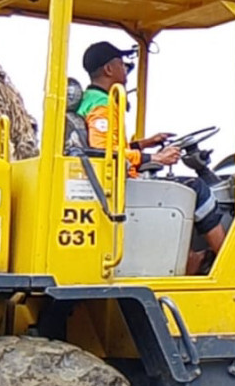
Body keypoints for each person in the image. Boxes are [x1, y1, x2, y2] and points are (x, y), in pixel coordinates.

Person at [79, 41, 226, 274]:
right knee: (196, 189)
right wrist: (155, 156)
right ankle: (229, 263)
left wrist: (146, 143)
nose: (126, 70)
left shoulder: (93, 99)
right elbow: (102, 152)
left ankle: (188, 258)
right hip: (118, 186)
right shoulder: (102, 105)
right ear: (109, 69)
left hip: (117, 181)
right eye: (122, 64)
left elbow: (113, 144)